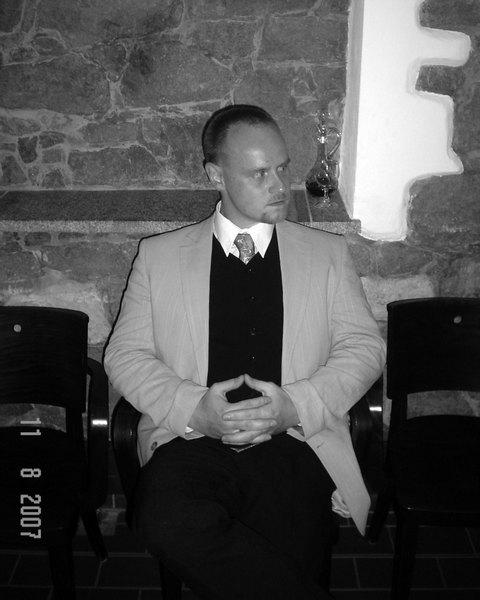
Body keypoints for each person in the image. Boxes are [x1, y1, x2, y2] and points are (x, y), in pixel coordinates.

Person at [104, 104, 386, 599]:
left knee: (295, 549)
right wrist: (194, 408)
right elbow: (125, 353)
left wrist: (296, 405)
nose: (279, 186)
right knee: (164, 520)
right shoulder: (159, 256)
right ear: (216, 175)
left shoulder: (327, 254)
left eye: (282, 168)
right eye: (259, 173)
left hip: (294, 442)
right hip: (192, 440)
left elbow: (363, 346)